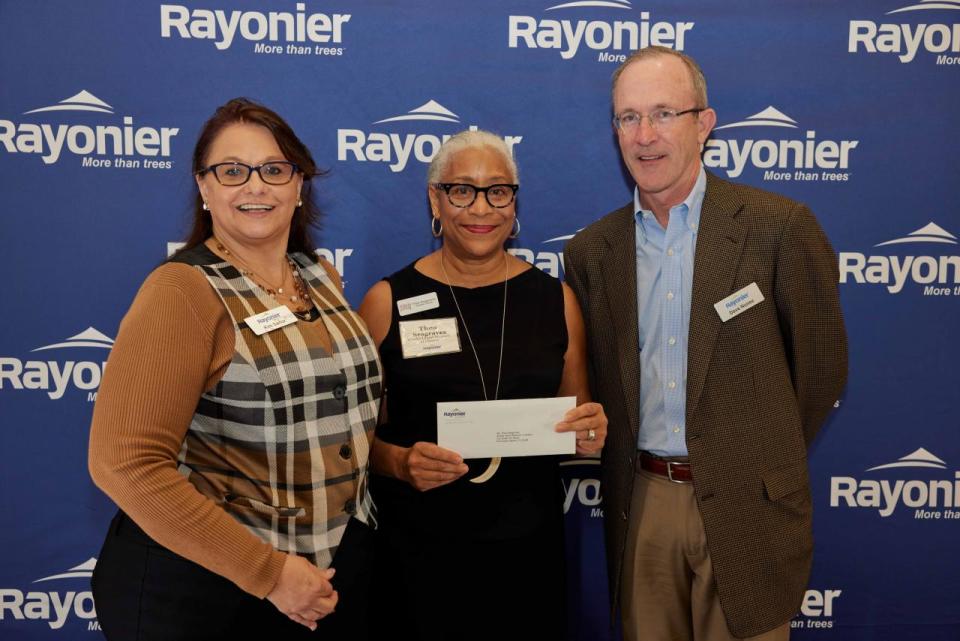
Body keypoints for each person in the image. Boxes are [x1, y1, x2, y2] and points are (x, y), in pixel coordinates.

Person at [564, 46, 848, 641]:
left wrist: (760, 454)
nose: (644, 135)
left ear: (705, 124)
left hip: (751, 504)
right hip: (641, 501)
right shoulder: (593, 251)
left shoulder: (778, 227)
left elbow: (820, 371)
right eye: (628, 117)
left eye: (664, 113)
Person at [88, 97, 382, 640]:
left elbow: (332, 416)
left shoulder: (319, 276)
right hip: (206, 591)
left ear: (299, 185)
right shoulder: (182, 291)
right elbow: (125, 464)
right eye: (232, 171)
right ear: (204, 187)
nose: (255, 186)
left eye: (274, 170)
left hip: (321, 578)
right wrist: (267, 573)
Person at [357, 129, 608, 641]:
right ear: (435, 198)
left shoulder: (555, 300)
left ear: (514, 203)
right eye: (462, 190)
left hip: (526, 553)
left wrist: (590, 430)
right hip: (417, 553)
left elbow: (577, 417)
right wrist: (400, 463)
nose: (481, 208)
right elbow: (351, 441)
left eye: (498, 191)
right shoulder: (387, 301)